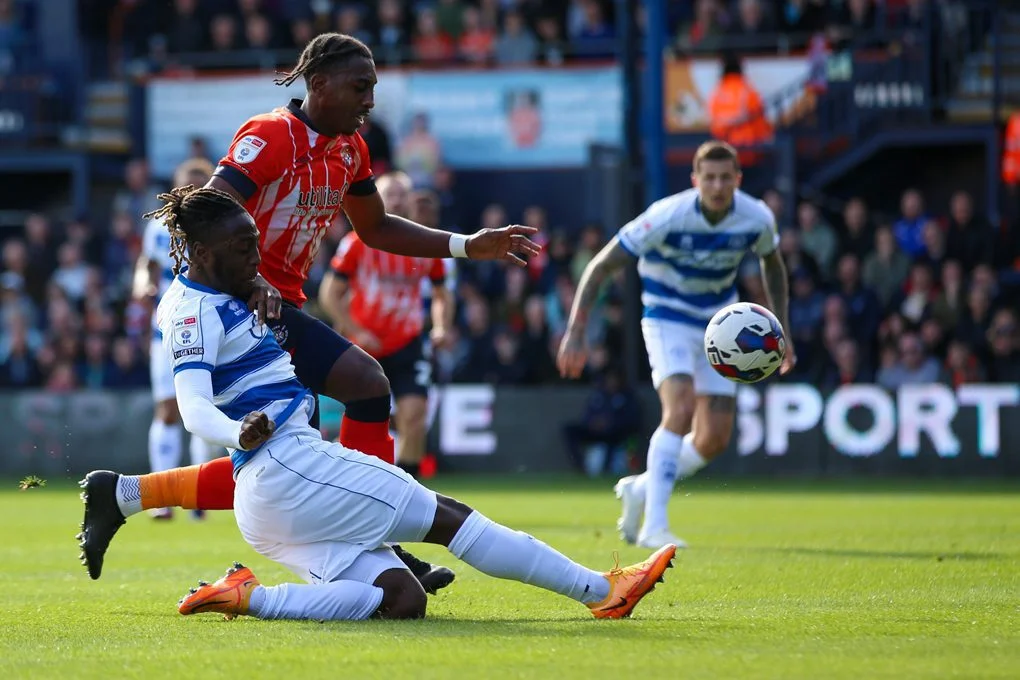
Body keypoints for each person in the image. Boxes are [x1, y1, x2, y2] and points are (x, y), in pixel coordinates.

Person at [81, 186, 675, 622]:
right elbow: (191, 406)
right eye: (243, 248)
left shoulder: (218, 282)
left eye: (255, 243)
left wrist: (251, 280)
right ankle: (601, 591)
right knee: (447, 517)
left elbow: (235, 286)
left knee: (400, 599)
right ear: (205, 254)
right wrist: (238, 430)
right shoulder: (192, 313)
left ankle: (249, 596)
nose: (255, 257)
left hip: (269, 500)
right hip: (287, 467)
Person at [77, 32, 541, 590]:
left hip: (279, 306)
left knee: (286, 461)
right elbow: (206, 211)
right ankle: (379, 541)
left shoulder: (350, 148)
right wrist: (250, 283)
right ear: (318, 85)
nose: (370, 100)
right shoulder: (270, 136)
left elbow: (375, 227)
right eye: (360, 86)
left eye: (372, 87)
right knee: (363, 389)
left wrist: (469, 244)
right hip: (232, 307)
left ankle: (123, 494)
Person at [557, 140, 796, 549]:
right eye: (710, 178)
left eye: (726, 178)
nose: (718, 186)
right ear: (696, 180)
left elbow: (772, 265)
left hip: (720, 324)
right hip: (666, 317)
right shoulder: (667, 216)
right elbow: (601, 266)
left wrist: (782, 330)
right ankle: (655, 526)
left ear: (738, 181)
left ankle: (641, 488)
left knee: (714, 439)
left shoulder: (756, 217)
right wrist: (576, 329)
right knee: (680, 408)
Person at [318, 172, 454, 479]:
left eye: (400, 194)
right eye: (388, 194)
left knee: (415, 416)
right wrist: (355, 327)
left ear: (408, 200)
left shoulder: (424, 242)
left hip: (407, 341)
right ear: (376, 199)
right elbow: (330, 293)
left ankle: (409, 490)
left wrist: (442, 326)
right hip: (364, 347)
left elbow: (442, 293)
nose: (394, 200)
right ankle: (356, 486)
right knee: (361, 426)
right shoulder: (355, 243)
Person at [132, 158, 222, 521]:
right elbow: (147, 264)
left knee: (202, 407)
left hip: (209, 326)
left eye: (200, 183)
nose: (192, 190)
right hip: (166, 327)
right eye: (187, 183)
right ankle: (163, 498)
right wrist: (143, 285)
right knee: (168, 408)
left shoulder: (220, 224)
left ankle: (198, 495)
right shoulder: (158, 226)